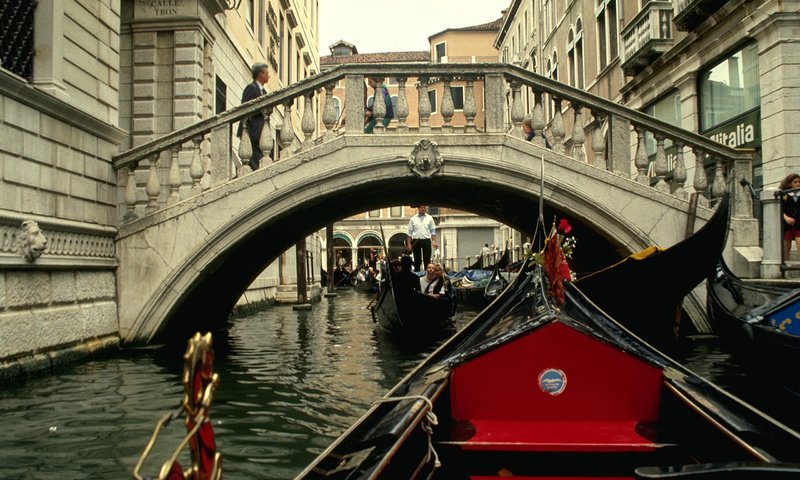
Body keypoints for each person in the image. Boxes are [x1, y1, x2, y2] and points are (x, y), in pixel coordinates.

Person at [237, 62, 271, 169]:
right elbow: (244, 107)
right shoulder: (251, 88)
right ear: (260, 74)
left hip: (261, 133)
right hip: (252, 131)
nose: (269, 75)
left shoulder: (264, 91)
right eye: (267, 73)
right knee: (254, 163)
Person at [407, 205, 438, 272]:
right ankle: (417, 275)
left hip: (426, 240)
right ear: (418, 208)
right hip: (416, 240)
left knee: (427, 259)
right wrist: (409, 244)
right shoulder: (413, 219)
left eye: (424, 207)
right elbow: (410, 233)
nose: (423, 209)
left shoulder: (430, 218)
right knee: (417, 260)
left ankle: (427, 274)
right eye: (421, 207)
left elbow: (433, 231)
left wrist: (434, 241)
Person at [780, 173, 800, 259]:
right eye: (795, 182)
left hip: (799, 224)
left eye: (799, 182)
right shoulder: (784, 195)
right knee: (786, 247)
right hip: (787, 225)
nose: (798, 184)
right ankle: (785, 267)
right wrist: (786, 218)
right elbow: (780, 209)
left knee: (799, 243)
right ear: (789, 184)